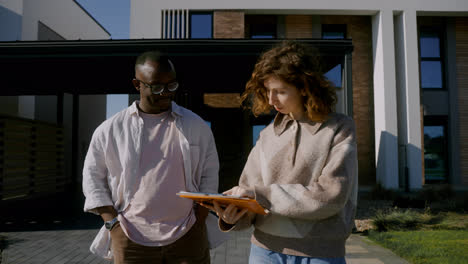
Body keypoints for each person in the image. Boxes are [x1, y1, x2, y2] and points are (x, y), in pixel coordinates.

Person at [203, 41, 358, 264]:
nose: (271, 100)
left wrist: (261, 196)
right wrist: (232, 216)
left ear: (305, 87)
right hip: (264, 251)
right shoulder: (267, 135)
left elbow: (331, 196)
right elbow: (251, 194)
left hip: (320, 252)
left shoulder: (339, 128)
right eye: (267, 91)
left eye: (280, 92)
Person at [82, 51, 225, 263]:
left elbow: (209, 173)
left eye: (172, 85)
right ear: (137, 84)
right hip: (130, 239)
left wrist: (199, 221)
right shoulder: (111, 130)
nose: (166, 93)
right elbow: (93, 179)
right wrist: (113, 225)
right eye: (157, 86)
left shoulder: (195, 125)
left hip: (188, 235)